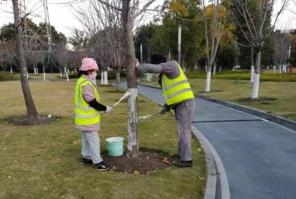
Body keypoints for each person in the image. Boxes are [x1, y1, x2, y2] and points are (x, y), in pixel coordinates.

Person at [138, 54, 195, 167]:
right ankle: (182, 155)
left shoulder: (172, 65)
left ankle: (186, 160)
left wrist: (140, 67)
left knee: (183, 131)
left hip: (185, 103)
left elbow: (155, 68)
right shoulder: (164, 76)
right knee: (181, 131)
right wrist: (166, 107)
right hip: (179, 105)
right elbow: (172, 94)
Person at [74, 57, 112, 170]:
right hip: (88, 120)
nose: (95, 73)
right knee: (94, 141)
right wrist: (105, 108)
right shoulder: (86, 84)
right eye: (94, 70)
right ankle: (98, 162)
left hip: (82, 119)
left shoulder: (81, 81)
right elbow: (92, 102)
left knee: (85, 139)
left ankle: (86, 157)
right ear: (89, 71)